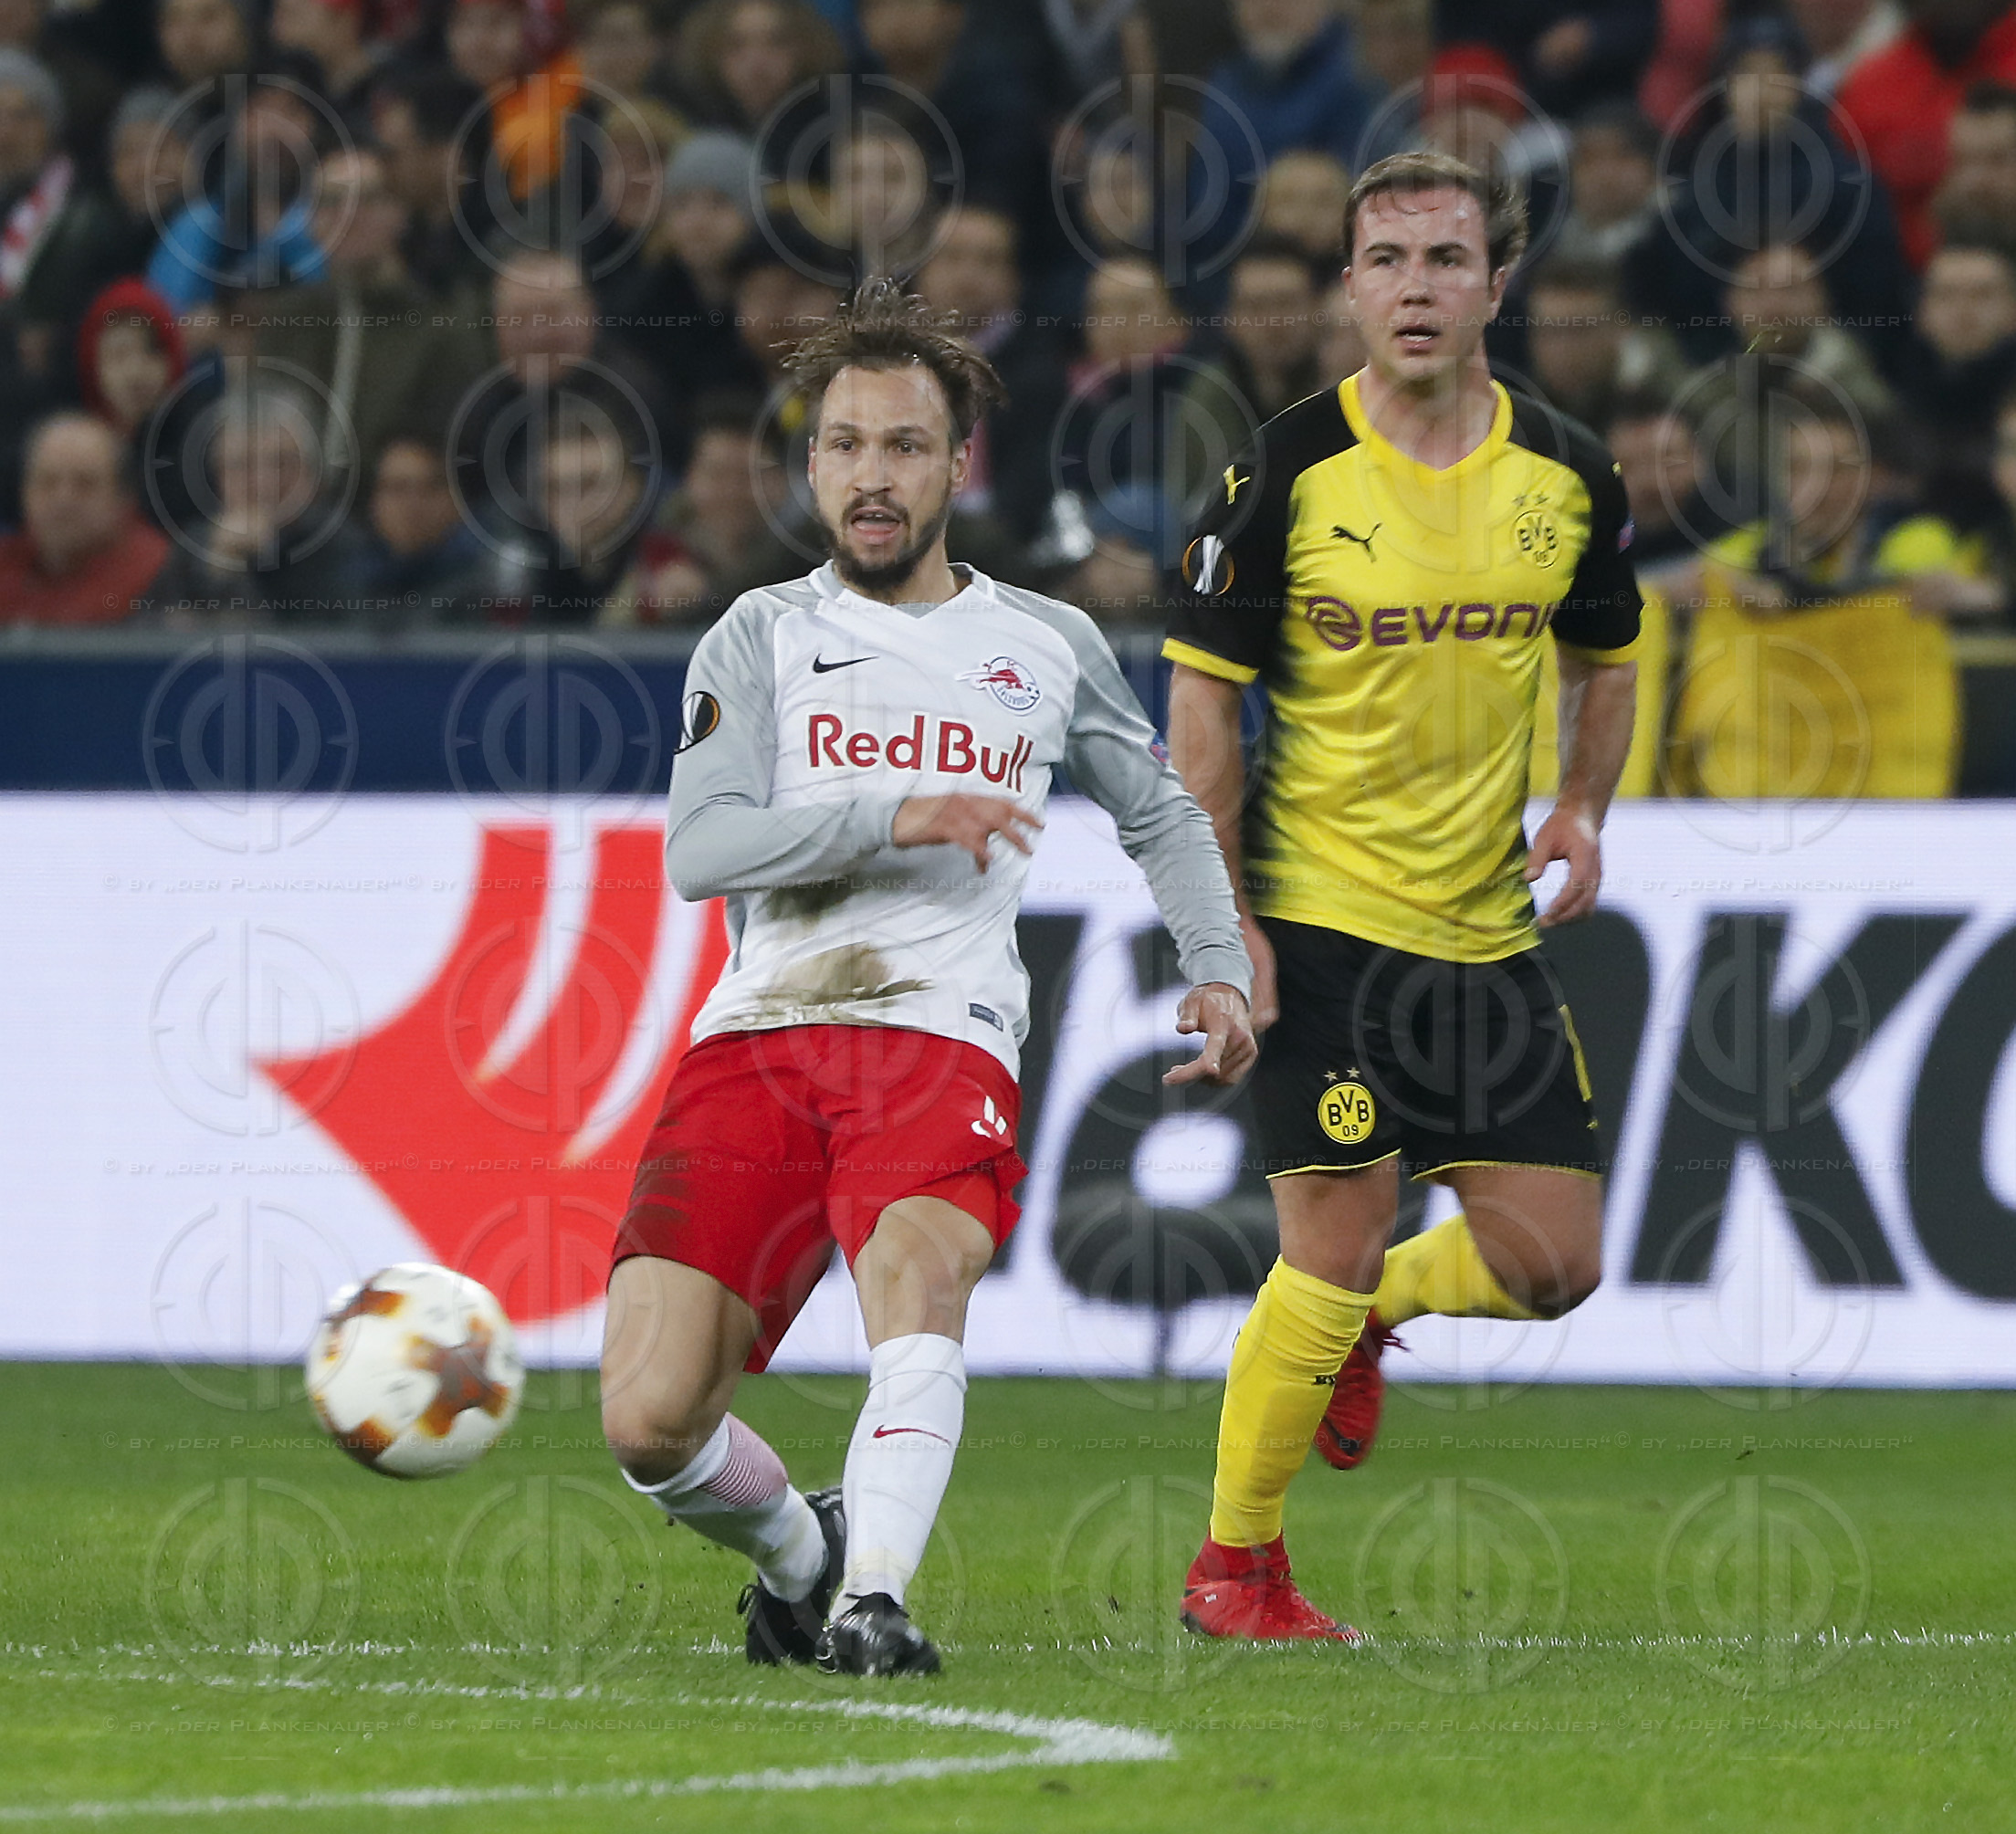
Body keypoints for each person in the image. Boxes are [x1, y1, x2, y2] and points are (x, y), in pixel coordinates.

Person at [599, 278, 1255, 1676]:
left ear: (957, 463)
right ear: (811, 464)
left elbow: (1159, 811)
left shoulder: (1044, 642)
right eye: (845, 445)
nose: (873, 476)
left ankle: (873, 1600)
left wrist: (1215, 964)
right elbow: (703, 850)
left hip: (940, 1033)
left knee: (919, 1268)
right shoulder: (758, 634)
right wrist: (890, 813)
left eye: (903, 446)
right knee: (649, 1420)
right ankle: (805, 1557)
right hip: (761, 1033)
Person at [1164, 150, 1643, 1640]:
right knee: (1332, 1233)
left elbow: (1608, 654)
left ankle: (1374, 1312)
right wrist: (1226, 923)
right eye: (1386, 260)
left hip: (1484, 931)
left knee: (1554, 1264)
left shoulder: (1566, 471)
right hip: (1320, 920)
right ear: (1350, 287)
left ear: (1497, 284)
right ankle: (1236, 1567)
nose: (1414, 287)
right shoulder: (1281, 470)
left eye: (1444, 259)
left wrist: (1580, 804)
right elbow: (1201, 708)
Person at [1670, 384, 1964, 798]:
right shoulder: (1747, 549)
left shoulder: (1915, 539)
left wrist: (1784, 601)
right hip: (1768, 773)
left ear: (1872, 477)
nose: (1817, 487)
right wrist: (1699, 589)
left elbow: (1891, 589)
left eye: (1837, 469)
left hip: (1882, 777)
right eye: (1798, 468)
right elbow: (1665, 582)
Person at [0, 412, 168, 624]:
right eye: (47, 482)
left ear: (124, 499)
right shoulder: (7, 561)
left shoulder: (158, 574)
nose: (63, 500)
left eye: (85, 484)